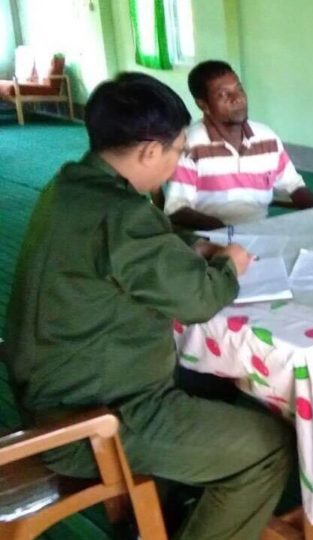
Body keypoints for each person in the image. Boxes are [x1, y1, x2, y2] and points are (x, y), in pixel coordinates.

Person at [3, 72, 295, 540]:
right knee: (269, 446)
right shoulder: (122, 215)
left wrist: (191, 245)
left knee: (213, 381)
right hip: (94, 417)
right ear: (147, 151)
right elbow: (199, 300)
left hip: (57, 388)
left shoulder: (72, 186)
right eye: (178, 150)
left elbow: (143, 240)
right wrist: (230, 268)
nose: (179, 162)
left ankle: (168, 508)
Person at [164, 60, 313, 229]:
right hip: (211, 238)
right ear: (203, 105)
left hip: (260, 233)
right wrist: (226, 233)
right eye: (224, 94)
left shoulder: (266, 138)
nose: (237, 98)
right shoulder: (190, 146)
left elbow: (294, 186)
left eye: (239, 88)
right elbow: (176, 209)